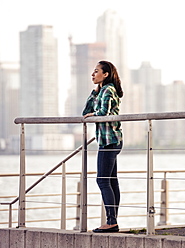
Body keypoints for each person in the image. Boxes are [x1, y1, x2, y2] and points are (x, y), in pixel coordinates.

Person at [82, 60, 123, 233]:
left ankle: (111, 221)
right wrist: (94, 92)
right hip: (108, 141)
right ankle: (112, 219)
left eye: (96, 71)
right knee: (111, 181)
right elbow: (85, 113)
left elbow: (103, 113)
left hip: (110, 141)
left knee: (102, 180)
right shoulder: (101, 91)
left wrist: (95, 113)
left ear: (105, 74)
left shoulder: (109, 90)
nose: (93, 74)